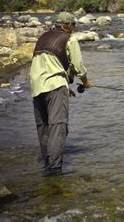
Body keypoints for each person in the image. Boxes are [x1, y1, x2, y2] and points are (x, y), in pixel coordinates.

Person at [30, 11, 91, 176]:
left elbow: (45, 66)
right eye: (74, 25)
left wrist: (66, 86)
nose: (73, 28)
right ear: (68, 25)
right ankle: (55, 171)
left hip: (36, 88)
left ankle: (47, 166)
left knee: (43, 128)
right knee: (58, 127)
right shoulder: (69, 39)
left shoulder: (43, 38)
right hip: (55, 87)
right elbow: (78, 67)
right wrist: (86, 83)